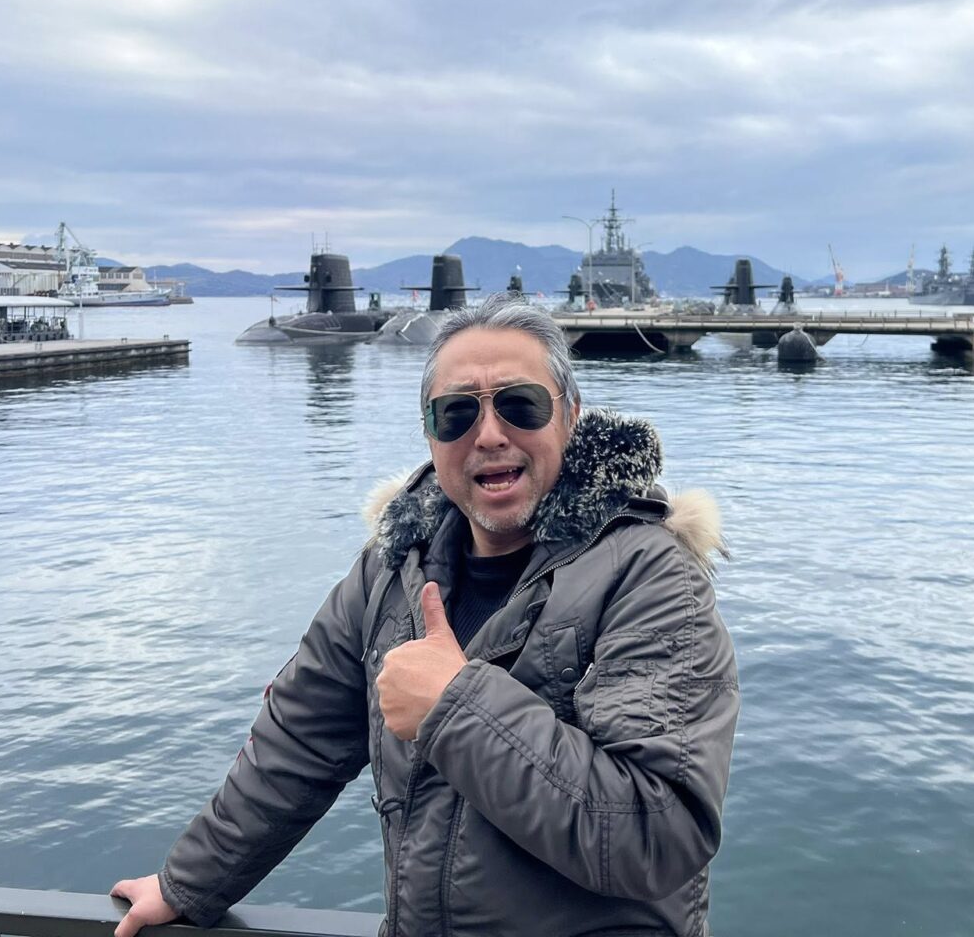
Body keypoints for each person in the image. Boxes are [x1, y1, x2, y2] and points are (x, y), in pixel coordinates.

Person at [111, 294, 738, 937]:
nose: (489, 435)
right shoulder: (392, 569)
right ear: (430, 435)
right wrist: (189, 883)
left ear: (570, 416)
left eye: (521, 405)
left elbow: (660, 833)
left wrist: (453, 706)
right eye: (457, 412)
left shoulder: (649, 575)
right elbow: (299, 741)